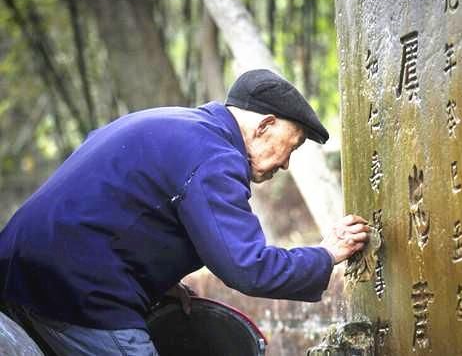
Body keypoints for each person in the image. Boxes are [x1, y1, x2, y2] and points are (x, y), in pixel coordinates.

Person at [0, 69, 370, 355]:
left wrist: (155, 282)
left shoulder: (179, 127)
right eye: (293, 145)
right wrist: (325, 254)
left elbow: (117, 211)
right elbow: (247, 267)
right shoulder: (214, 155)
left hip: (17, 270)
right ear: (265, 125)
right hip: (78, 291)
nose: (287, 163)